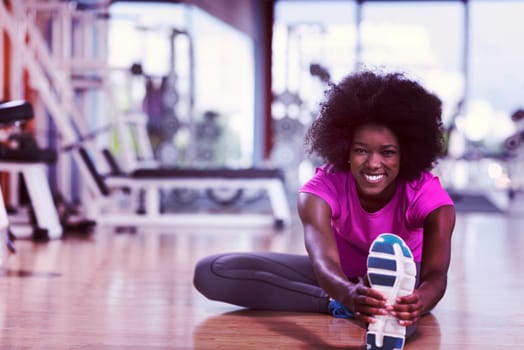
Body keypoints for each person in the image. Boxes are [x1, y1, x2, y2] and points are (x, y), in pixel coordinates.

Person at [193, 69, 456, 350]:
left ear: (405, 154)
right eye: (361, 150)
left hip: (402, 279)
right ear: (345, 150)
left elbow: (436, 274)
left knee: (398, 301)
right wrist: (346, 293)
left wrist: (420, 301)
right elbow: (323, 263)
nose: (374, 163)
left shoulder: (428, 196)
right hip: (338, 277)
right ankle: (343, 306)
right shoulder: (320, 190)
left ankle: (386, 311)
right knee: (212, 272)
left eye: (388, 152)